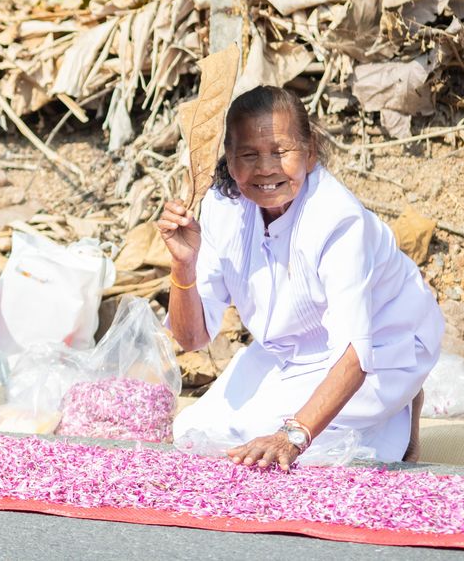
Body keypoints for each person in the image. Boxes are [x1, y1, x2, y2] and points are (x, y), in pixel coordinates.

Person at [159, 85, 442, 470]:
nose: (265, 169)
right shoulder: (222, 206)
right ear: (229, 158)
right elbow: (192, 338)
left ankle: (399, 409)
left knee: (300, 455)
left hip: (383, 345)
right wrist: (183, 265)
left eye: (280, 152)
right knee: (195, 434)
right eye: (248, 155)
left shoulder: (338, 221)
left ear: (310, 153)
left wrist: (292, 436)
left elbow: (355, 355)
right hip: (293, 349)